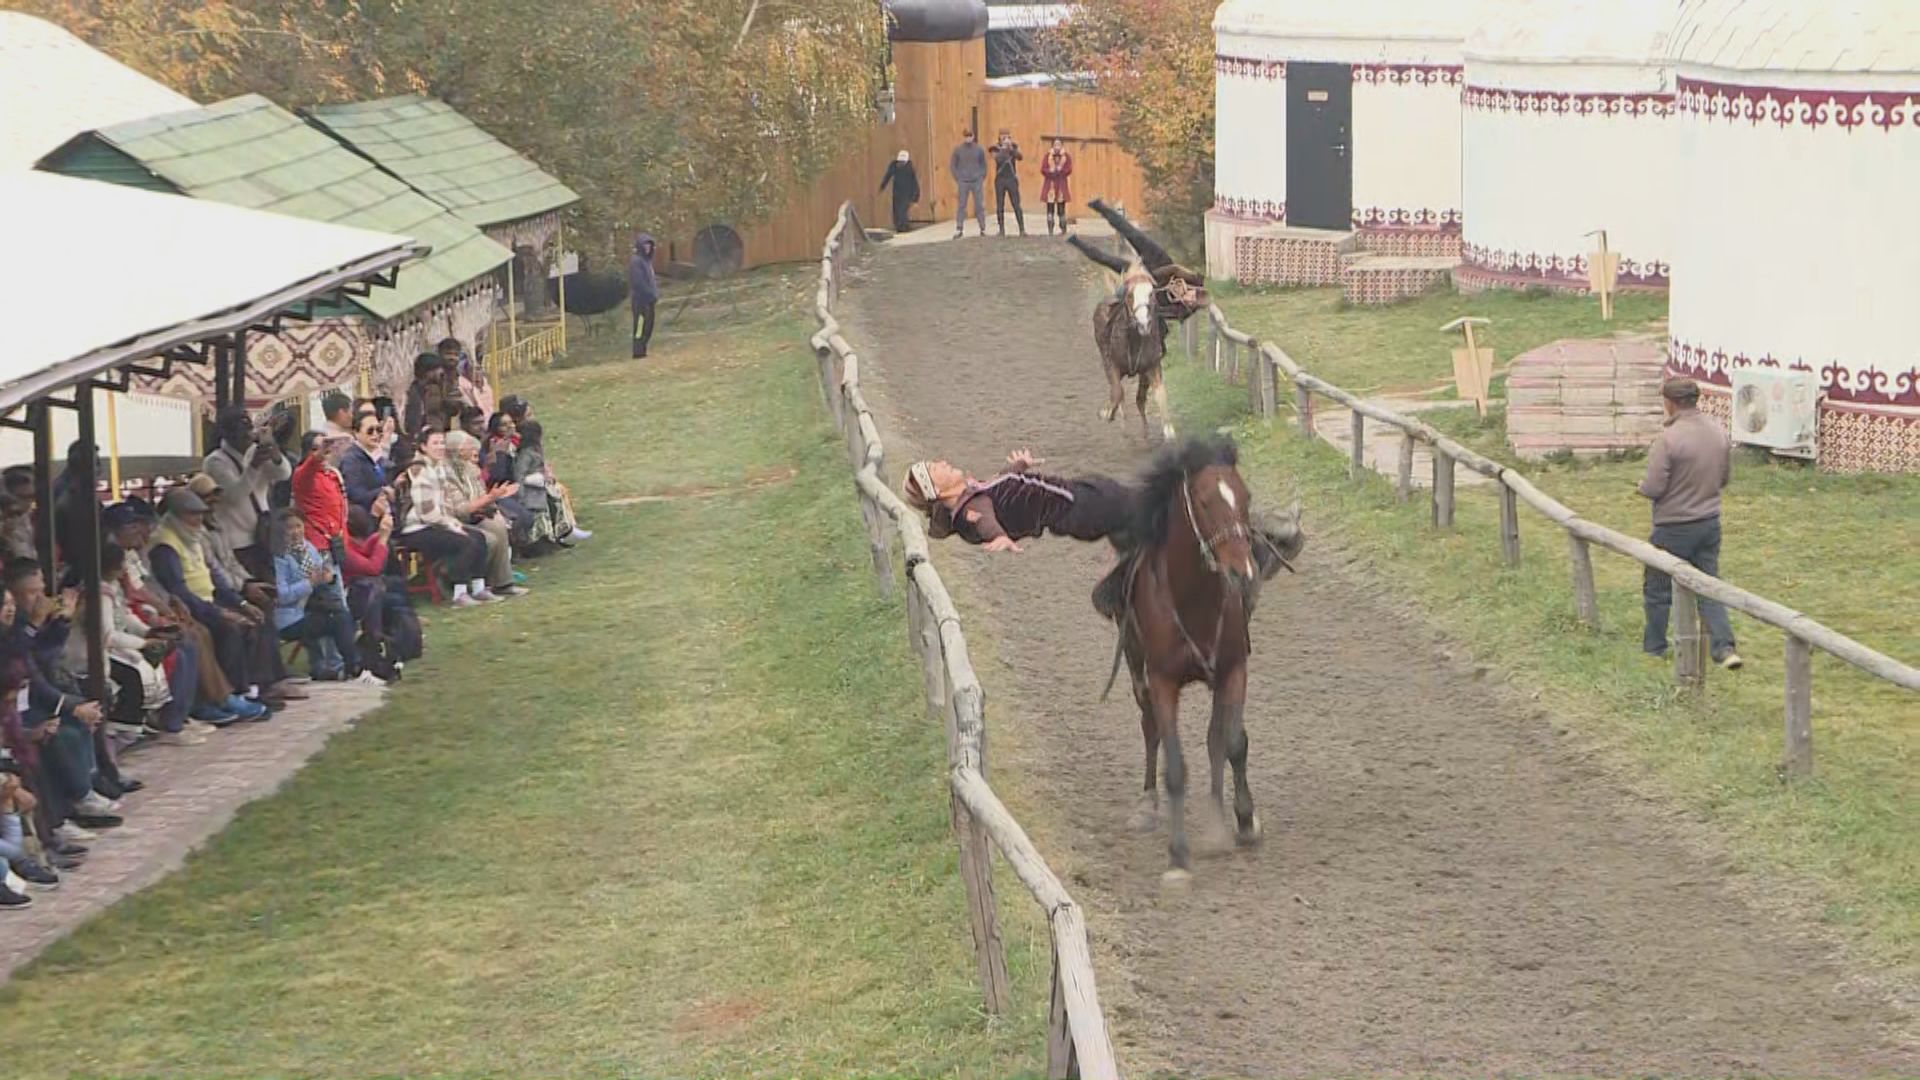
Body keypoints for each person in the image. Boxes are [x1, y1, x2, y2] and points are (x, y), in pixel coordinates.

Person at [1638, 377, 1741, 670]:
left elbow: (1655, 486)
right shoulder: (1718, 431)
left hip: (1672, 527)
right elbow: (1723, 479)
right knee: (1709, 585)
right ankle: (1724, 648)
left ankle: (1655, 647)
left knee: (1658, 588)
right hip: (1709, 523)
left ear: (1669, 403)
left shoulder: (1667, 439)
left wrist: (1641, 487)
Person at [145, 489, 276, 718]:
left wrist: (242, 603)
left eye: (200, 514)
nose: (198, 520)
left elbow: (216, 578)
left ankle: (245, 690)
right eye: (192, 515)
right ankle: (215, 699)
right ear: (176, 516)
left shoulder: (194, 536)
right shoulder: (165, 545)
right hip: (188, 606)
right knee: (227, 629)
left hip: (207, 599)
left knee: (252, 620)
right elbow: (178, 591)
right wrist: (219, 612)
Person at [902, 449, 1136, 553]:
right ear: (936, 491)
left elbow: (1001, 485)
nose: (942, 462)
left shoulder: (971, 494)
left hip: (1077, 496)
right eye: (934, 468)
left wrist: (1019, 465)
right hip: (1080, 507)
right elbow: (984, 521)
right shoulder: (969, 510)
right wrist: (1000, 537)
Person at [398, 429, 501, 608]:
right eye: (435, 443)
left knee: (479, 537)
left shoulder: (438, 468)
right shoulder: (419, 470)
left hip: (437, 523)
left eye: (442, 443)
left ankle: (479, 588)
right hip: (417, 528)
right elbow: (426, 513)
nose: (440, 447)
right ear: (423, 447)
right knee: (464, 542)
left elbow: (444, 505)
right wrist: (448, 523)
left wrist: (451, 521)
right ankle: (459, 593)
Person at [271, 507, 363, 682]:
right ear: (282, 531)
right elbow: (281, 596)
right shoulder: (280, 558)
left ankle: (353, 665)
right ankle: (333, 668)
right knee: (335, 620)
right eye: (290, 528)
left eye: (299, 526)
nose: (296, 532)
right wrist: (309, 583)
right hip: (289, 618)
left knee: (342, 616)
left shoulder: (309, 548)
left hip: (311, 609)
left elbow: (321, 572)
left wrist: (328, 578)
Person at [203, 407, 290, 581]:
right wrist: (254, 467)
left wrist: (276, 455)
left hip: (265, 536)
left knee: (274, 589)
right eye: (241, 432)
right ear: (227, 434)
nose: (247, 436)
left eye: (249, 430)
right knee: (253, 591)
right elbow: (234, 495)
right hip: (237, 542)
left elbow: (284, 475)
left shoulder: (254, 451)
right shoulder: (215, 461)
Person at [443, 430, 527, 597]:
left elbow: (482, 495)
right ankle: (465, 580)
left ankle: (503, 583)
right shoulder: (447, 474)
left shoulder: (472, 470)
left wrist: (491, 503)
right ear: (459, 450)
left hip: (476, 515)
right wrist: (490, 498)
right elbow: (460, 510)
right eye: (468, 446)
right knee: (490, 538)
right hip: (455, 520)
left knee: (498, 523)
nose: (474, 449)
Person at [339, 410, 392, 512]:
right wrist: (382, 491)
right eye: (370, 430)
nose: (375, 434)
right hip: (366, 517)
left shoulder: (377, 455)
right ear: (356, 432)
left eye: (379, 429)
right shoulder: (351, 460)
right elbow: (355, 495)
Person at [403, 353, 456, 435]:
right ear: (428, 372)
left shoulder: (437, 389)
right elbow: (414, 423)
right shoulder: (414, 394)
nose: (441, 372)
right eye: (437, 369)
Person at [950, 130, 988, 239]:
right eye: (966, 136)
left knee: (979, 205)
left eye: (970, 136)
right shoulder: (958, 150)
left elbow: (983, 164)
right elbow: (953, 165)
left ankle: (982, 228)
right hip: (963, 181)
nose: (968, 138)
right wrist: (958, 177)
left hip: (976, 180)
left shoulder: (979, 149)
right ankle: (959, 228)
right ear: (964, 137)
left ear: (973, 136)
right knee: (961, 205)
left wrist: (981, 176)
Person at [989, 129, 1025, 237]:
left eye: (1007, 136)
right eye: (1003, 136)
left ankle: (1022, 229)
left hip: (1011, 178)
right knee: (1000, 205)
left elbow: (1020, 157)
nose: (1005, 139)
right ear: (999, 137)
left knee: (1016, 204)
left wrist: (1011, 149)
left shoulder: (1013, 146)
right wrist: (1004, 149)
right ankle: (1001, 230)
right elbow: (998, 159)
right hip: (1000, 179)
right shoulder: (995, 148)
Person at [629, 233, 659, 360]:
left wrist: (654, 294)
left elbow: (650, 280)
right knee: (640, 327)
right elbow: (638, 282)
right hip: (640, 301)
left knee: (649, 326)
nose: (647, 248)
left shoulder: (647, 262)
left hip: (649, 301)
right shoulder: (636, 261)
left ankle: (643, 349)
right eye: (645, 245)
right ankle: (638, 352)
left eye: (649, 245)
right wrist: (649, 294)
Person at [879, 150, 920, 234]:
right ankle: (899, 226)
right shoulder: (894, 166)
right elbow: (888, 175)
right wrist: (882, 186)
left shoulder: (909, 168)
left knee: (902, 210)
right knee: (896, 210)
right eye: (900, 162)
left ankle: (903, 227)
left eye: (903, 162)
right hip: (897, 192)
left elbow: (914, 183)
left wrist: (916, 197)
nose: (901, 164)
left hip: (907, 193)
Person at [1040, 139, 1074, 237]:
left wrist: (1060, 170)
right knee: (1050, 208)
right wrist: (1050, 171)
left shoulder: (1066, 157)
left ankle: (1063, 229)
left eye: (1059, 145)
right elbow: (1043, 169)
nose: (1057, 147)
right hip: (1050, 185)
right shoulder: (1047, 156)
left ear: (1062, 146)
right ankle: (1050, 230)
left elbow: (1069, 169)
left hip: (1061, 185)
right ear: (1052, 146)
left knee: (1061, 209)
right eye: (1055, 145)